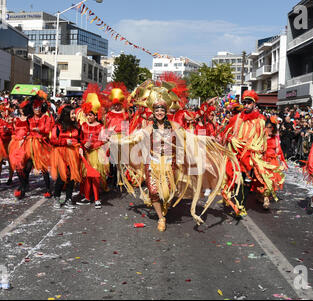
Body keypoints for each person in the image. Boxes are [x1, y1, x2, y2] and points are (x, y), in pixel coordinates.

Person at [114, 80, 239, 232]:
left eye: (162, 110)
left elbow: (191, 137)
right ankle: (161, 218)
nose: (159, 113)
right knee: (153, 192)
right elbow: (135, 138)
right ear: (153, 112)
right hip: (152, 164)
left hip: (168, 164)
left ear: (165, 112)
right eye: (157, 110)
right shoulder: (148, 128)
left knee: (166, 194)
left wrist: (209, 140)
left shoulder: (174, 126)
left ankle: (165, 205)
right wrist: (117, 140)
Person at [219, 90, 275, 218]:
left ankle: (246, 202)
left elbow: (264, 139)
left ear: (254, 104)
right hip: (237, 156)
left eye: (249, 103)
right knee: (239, 180)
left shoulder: (261, 120)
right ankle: (239, 206)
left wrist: (260, 152)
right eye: (244, 103)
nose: (246, 105)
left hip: (251, 157)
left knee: (249, 181)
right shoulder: (236, 118)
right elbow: (225, 134)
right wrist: (230, 139)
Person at [78, 88, 109, 209]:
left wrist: (94, 145)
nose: (88, 117)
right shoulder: (83, 125)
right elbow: (79, 138)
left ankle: (96, 199)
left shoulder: (100, 126)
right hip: (85, 154)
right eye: (87, 115)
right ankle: (86, 197)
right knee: (86, 177)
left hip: (96, 154)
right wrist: (82, 145)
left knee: (95, 176)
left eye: (91, 115)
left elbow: (103, 140)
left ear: (96, 115)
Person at [50, 106, 83, 211]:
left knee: (71, 178)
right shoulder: (57, 127)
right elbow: (52, 140)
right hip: (60, 155)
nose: (74, 116)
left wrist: (81, 147)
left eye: (74, 114)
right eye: (72, 114)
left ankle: (69, 198)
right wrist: (64, 142)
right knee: (61, 178)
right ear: (66, 115)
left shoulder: (77, 126)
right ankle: (57, 197)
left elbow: (80, 139)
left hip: (73, 154)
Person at [252, 116, 287, 209]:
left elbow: (278, 151)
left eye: (273, 127)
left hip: (272, 162)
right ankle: (262, 196)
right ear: (265, 128)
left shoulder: (275, 138)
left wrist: (282, 161)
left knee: (269, 181)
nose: (271, 129)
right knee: (262, 181)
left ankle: (266, 200)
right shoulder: (260, 138)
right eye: (269, 127)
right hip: (262, 161)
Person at [0, 102, 14, 186]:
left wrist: (8, 130)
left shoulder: (12, 120)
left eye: (5, 111)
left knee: (11, 161)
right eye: (2, 111)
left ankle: (10, 178)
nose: (3, 113)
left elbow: (15, 131)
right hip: (1, 143)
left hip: (10, 143)